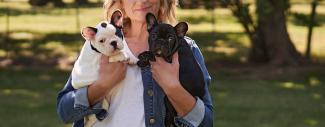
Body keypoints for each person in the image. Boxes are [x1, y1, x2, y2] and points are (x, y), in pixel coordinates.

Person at [56, 0, 213, 127]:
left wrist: (173, 87)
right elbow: (65, 111)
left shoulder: (184, 49)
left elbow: (206, 122)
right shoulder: (100, 43)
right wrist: (101, 86)